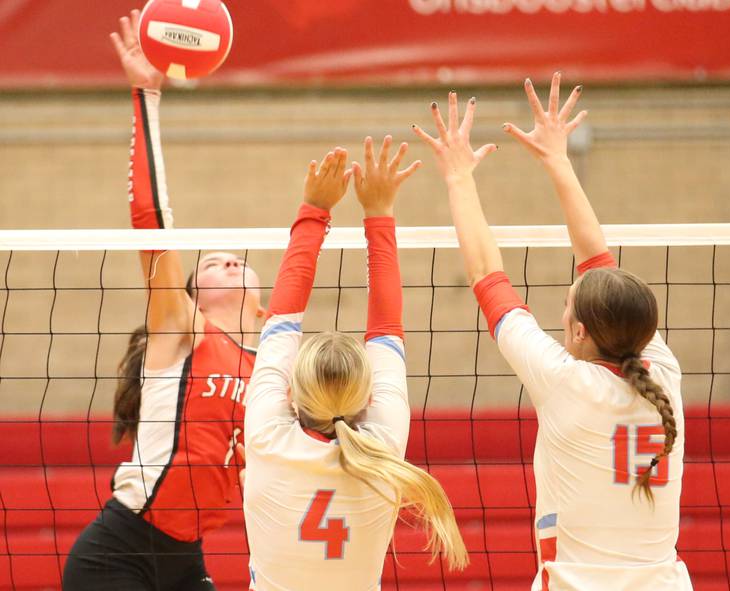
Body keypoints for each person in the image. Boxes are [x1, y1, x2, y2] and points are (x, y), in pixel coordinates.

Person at [413, 74, 693, 590]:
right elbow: (597, 263)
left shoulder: (565, 382)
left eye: (565, 307)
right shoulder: (664, 372)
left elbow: (484, 273)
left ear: (581, 331)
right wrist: (558, 160)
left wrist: (458, 175)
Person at [63, 10, 266, 590]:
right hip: (118, 554)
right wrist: (146, 95)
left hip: (185, 561)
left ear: (258, 298)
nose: (226, 259)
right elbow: (152, 222)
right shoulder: (183, 329)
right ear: (190, 294)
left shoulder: (271, 363)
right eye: (209, 262)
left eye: (238, 260)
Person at [243, 135, 469, 590]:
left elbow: (282, 318)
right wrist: (377, 211)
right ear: (368, 396)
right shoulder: (383, 444)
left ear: (290, 392)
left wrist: (315, 209)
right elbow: (386, 326)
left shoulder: (267, 435)